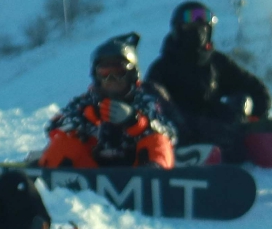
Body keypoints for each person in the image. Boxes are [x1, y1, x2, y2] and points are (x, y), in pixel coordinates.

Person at [145, 0, 270, 163]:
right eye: (190, 24)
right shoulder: (162, 67)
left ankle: (249, 141)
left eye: (203, 25)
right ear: (178, 29)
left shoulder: (216, 62)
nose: (198, 29)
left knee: (242, 100)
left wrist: (254, 116)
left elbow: (256, 89)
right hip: (178, 132)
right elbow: (150, 104)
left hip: (217, 129)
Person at [43, 33, 176, 169]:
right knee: (63, 141)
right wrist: (85, 118)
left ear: (132, 74)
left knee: (158, 140)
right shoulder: (86, 102)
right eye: (105, 73)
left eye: (119, 72)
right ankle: (54, 184)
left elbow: (170, 133)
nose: (112, 79)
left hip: (139, 172)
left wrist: (136, 122)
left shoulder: (145, 99)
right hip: (89, 174)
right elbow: (53, 127)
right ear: (96, 76)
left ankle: (156, 180)